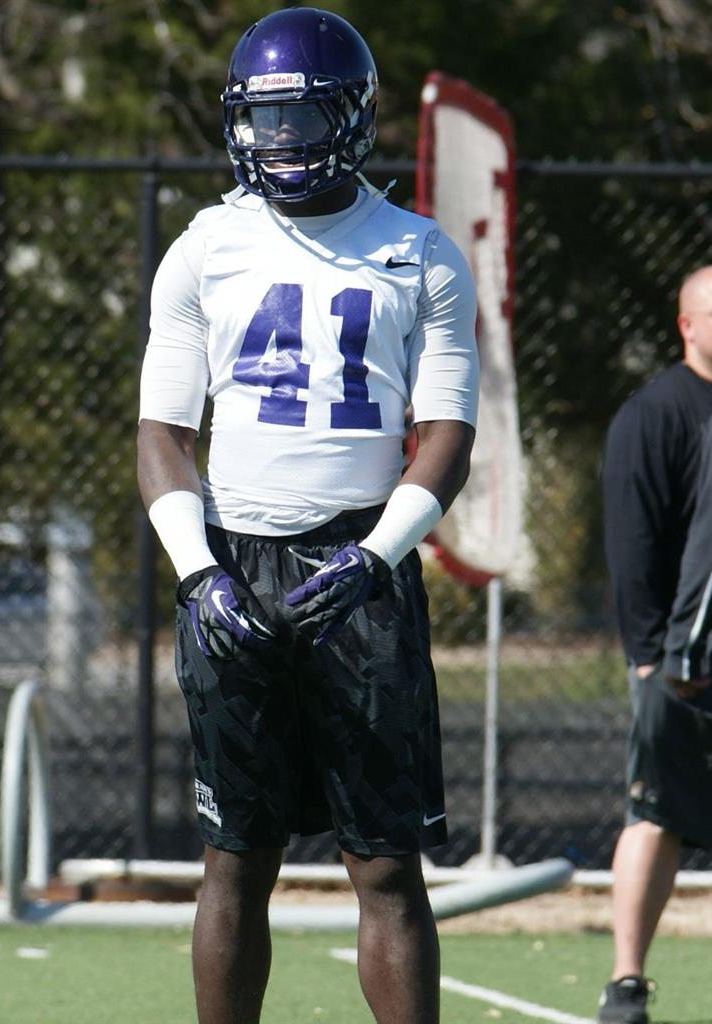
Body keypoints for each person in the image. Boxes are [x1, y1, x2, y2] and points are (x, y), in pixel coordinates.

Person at [137, 9, 479, 1023]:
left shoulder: (417, 252)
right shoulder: (206, 246)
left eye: (305, 118)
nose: (283, 141)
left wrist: (379, 556)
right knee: (235, 855)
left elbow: (447, 435)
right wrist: (197, 573)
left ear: (352, 116)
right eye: (267, 121)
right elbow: (160, 433)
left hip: (360, 562)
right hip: (231, 560)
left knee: (383, 866)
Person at [598, 265, 712, 1024]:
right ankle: (625, 983)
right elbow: (632, 544)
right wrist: (650, 656)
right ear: (686, 325)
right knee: (656, 814)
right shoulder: (658, 413)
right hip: (684, 667)